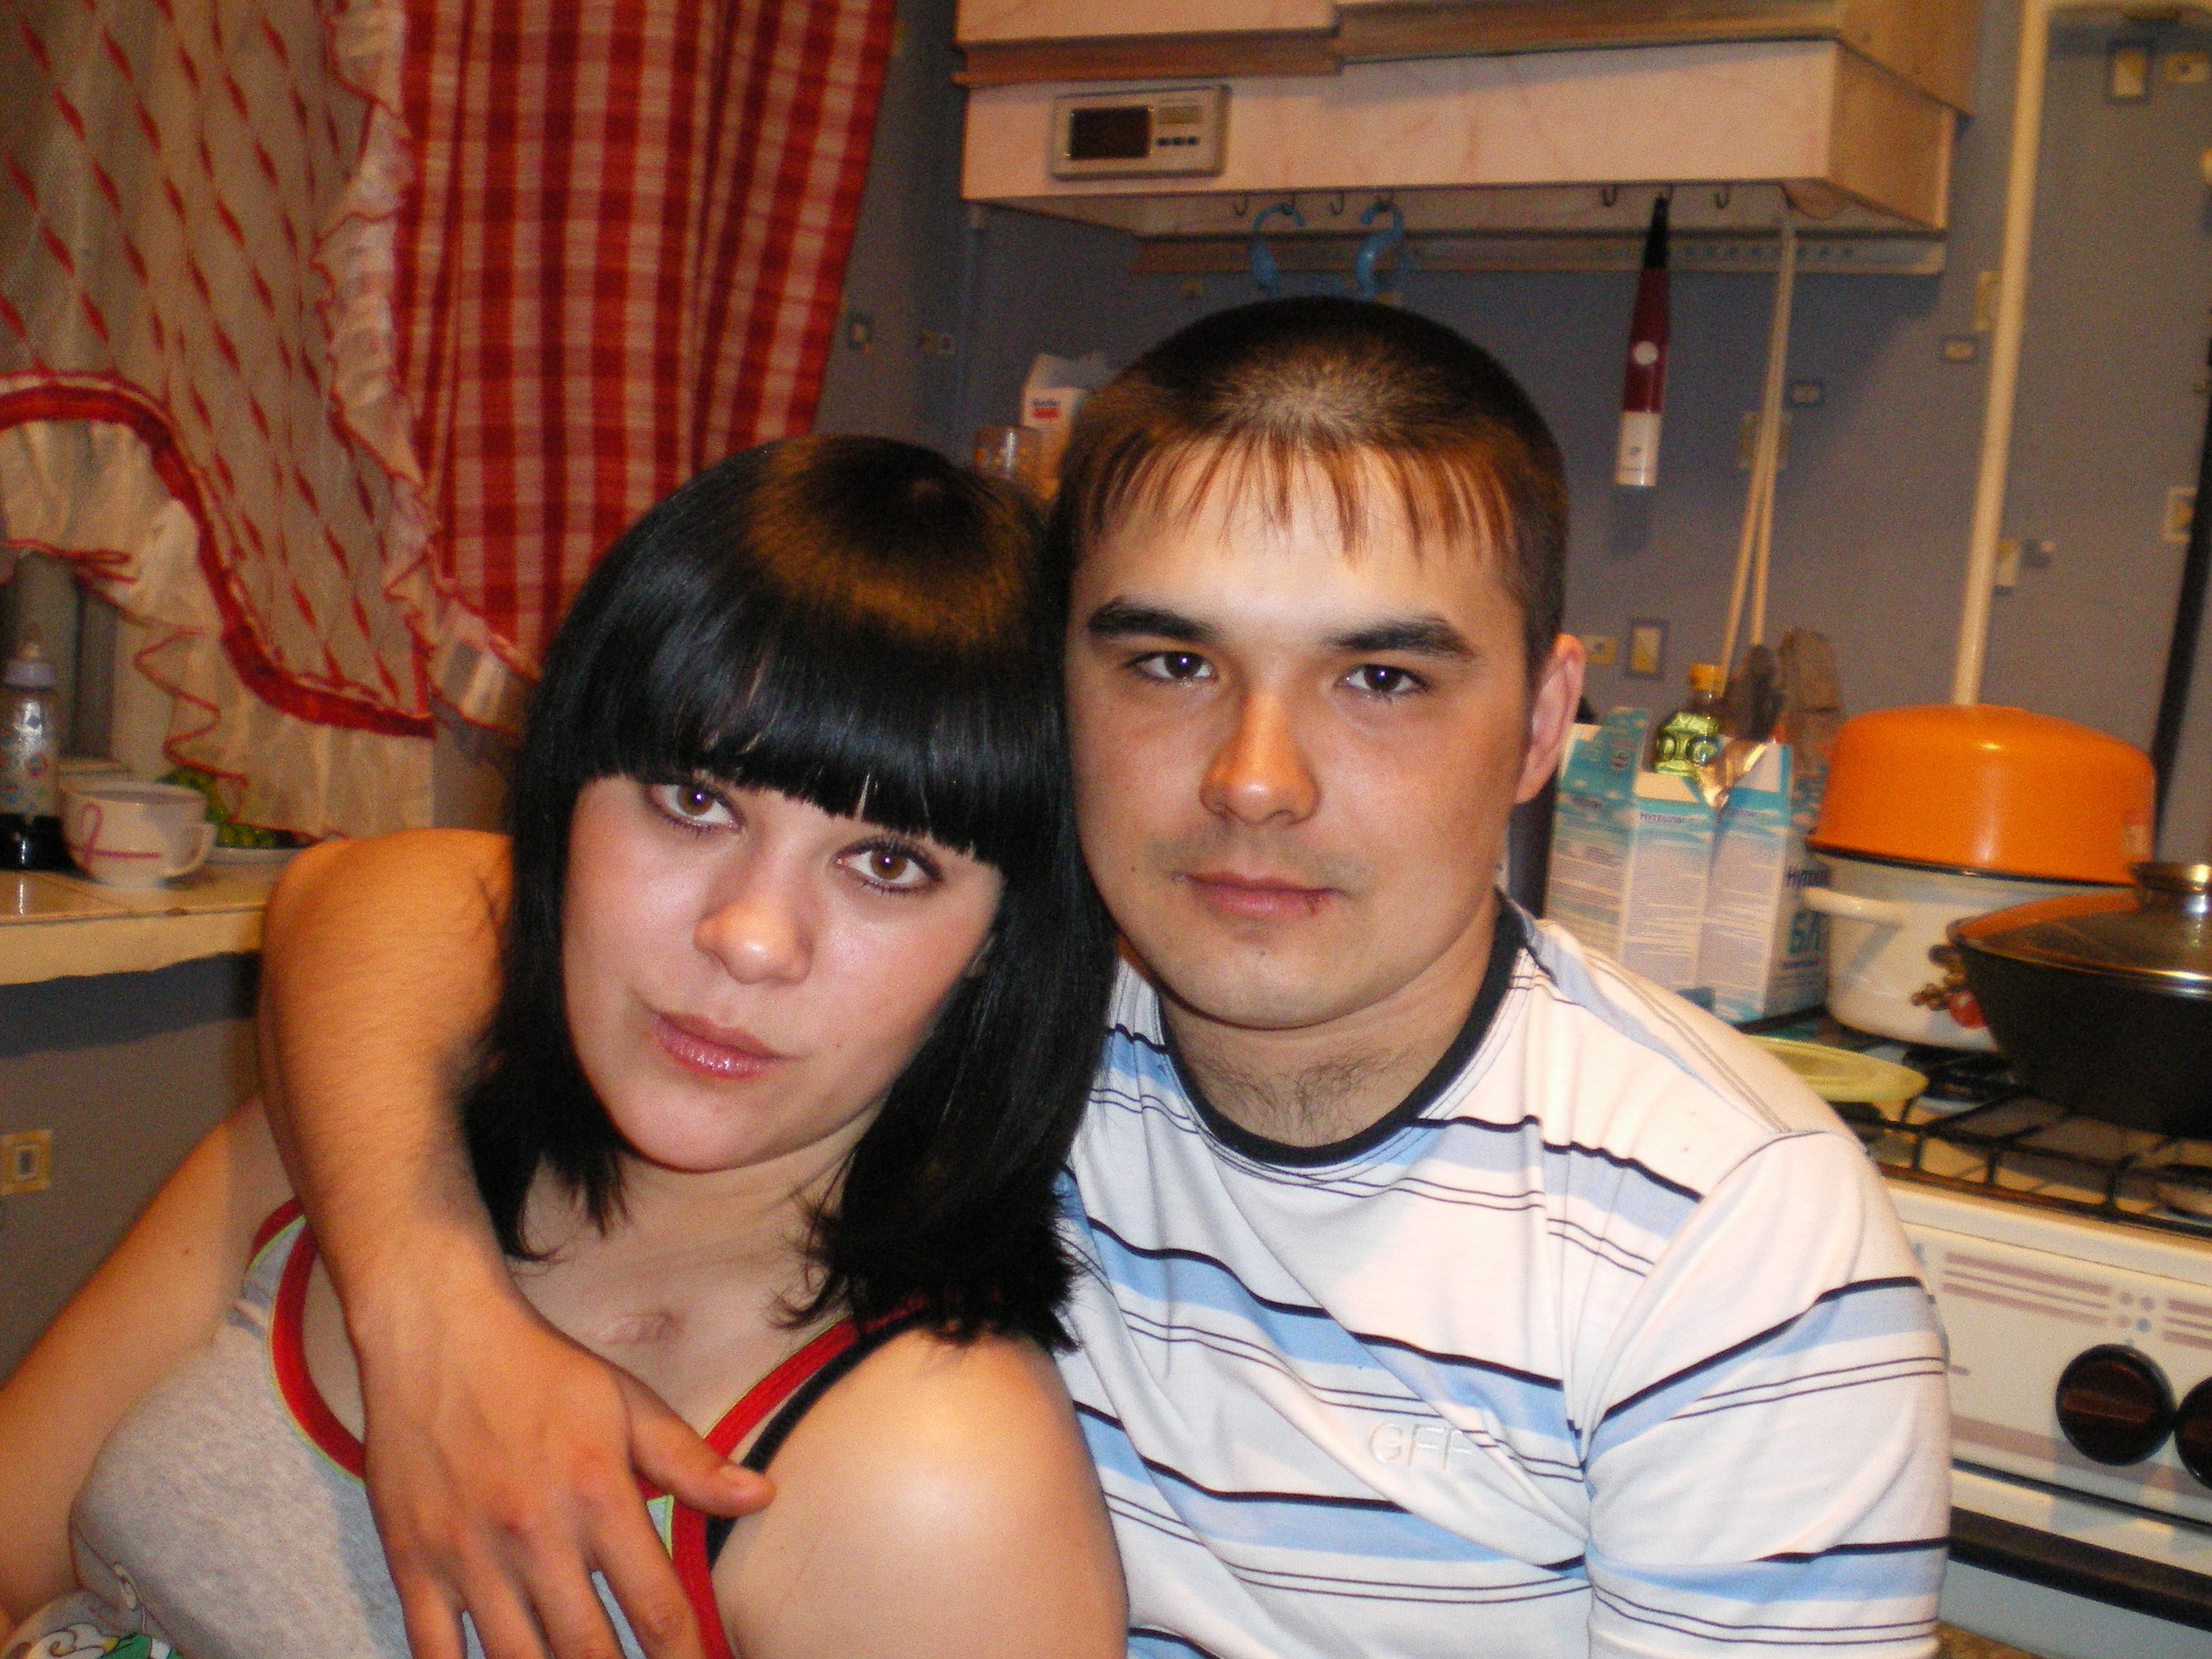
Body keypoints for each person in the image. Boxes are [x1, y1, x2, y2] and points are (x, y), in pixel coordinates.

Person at [234, 298, 1949, 1659]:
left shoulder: (1729, 1241)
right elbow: (374, 905)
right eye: (1171, 660)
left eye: (1380, 679)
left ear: (1544, 720)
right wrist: (428, 1303)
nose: (1253, 779)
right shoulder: (988, 1007)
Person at [0, 436, 1127, 1658]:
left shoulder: (936, 1476)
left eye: (888, 864)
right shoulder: (366, 1131)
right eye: (694, 800)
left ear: (1002, 944)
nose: (750, 938)